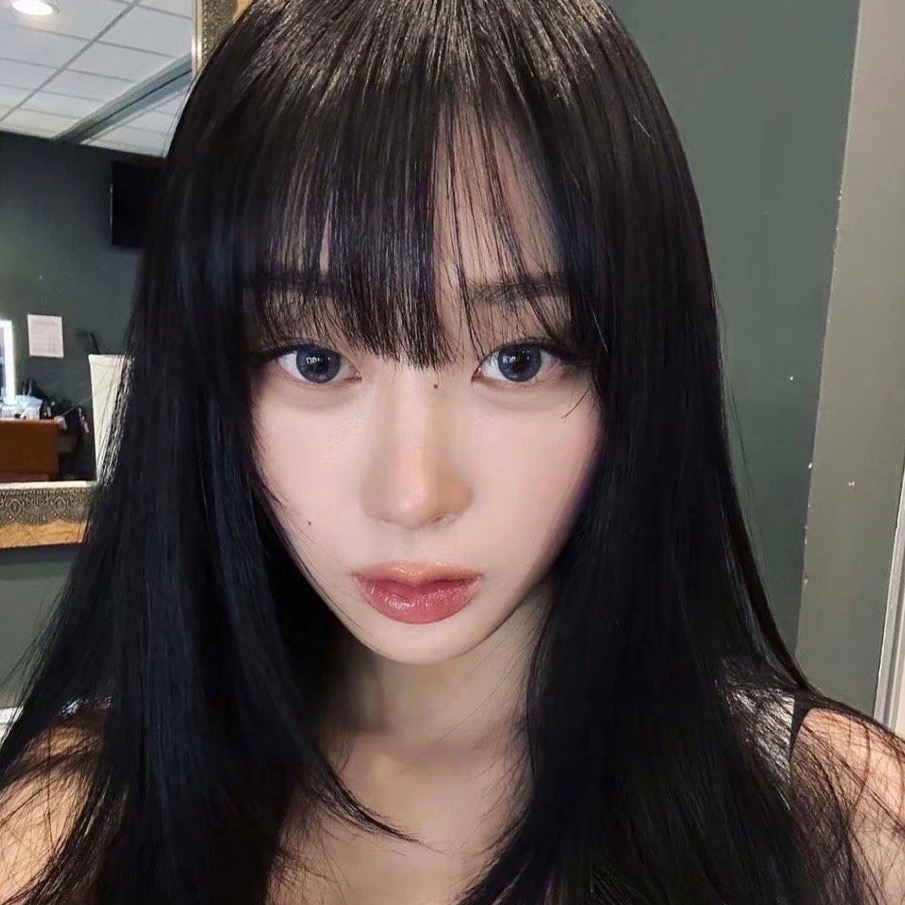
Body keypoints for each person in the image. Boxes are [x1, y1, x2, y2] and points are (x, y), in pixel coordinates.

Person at [1, 1, 904, 903]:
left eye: (519, 358)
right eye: (314, 360)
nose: (412, 495)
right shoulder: (68, 827)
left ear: (638, 375)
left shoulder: (839, 824)